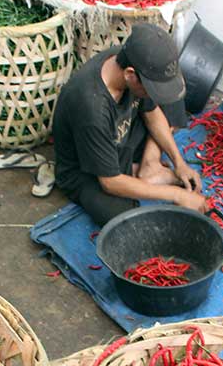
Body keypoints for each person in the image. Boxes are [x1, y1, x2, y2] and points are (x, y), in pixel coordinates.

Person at [53, 24, 208, 227]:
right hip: (87, 169)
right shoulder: (91, 105)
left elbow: (151, 112)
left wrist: (179, 163)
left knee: (171, 98)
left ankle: (149, 166)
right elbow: (110, 182)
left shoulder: (129, 58)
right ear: (130, 74)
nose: (152, 94)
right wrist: (177, 195)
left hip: (121, 135)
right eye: (148, 87)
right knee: (121, 218)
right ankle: (137, 172)